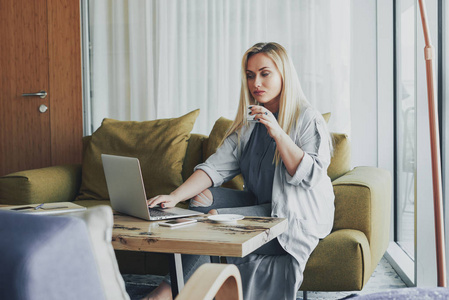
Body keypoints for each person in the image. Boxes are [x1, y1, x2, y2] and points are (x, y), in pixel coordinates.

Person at [144, 42, 335, 300]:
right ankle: (183, 285)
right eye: (250, 75)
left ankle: (167, 292)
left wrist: (278, 132)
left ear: (283, 75)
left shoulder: (307, 119)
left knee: (212, 221)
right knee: (201, 197)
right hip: (261, 204)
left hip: (294, 213)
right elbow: (214, 167)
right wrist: (175, 197)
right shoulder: (249, 123)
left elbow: (311, 176)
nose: (256, 82)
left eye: (265, 73)